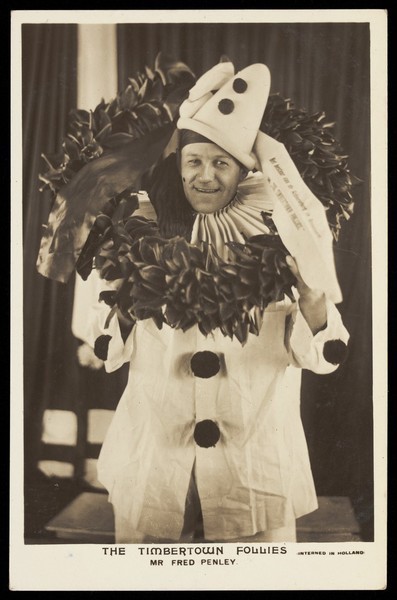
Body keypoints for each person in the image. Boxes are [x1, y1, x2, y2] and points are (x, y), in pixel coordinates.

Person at [84, 62, 350, 544]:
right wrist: (126, 302)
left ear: (242, 168)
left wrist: (312, 298)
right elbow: (100, 347)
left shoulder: (284, 230)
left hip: (254, 458)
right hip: (158, 454)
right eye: (194, 162)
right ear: (178, 165)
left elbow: (324, 356)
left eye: (221, 162)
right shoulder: (133, 230)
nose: (206, 176)